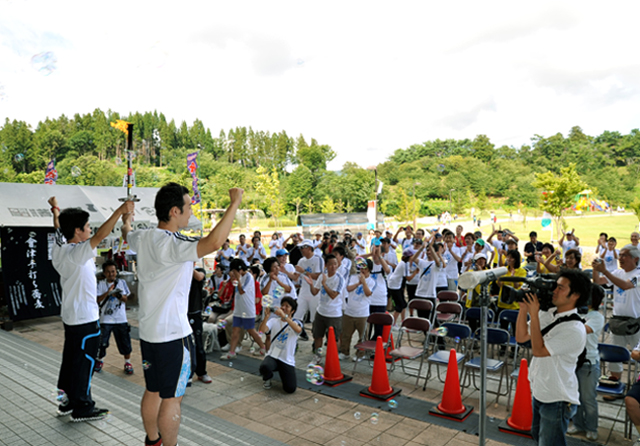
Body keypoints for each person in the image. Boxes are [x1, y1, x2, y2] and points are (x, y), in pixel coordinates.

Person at [121, 183, 241, 446]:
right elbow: (215, 242)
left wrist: (126, 218)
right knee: (172, 398)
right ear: (174, 211)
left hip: (149, 334)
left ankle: (153, 440)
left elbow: (127, 232)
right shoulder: (176, 244)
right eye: (188, 207)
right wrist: (234, 204)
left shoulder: (143, 237)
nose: (191, 212)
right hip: (174, 336)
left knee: (153, 389)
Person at [48, 195, 134, 422]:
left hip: (71, 317)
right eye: (86, 226)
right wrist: (120, 211)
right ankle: (83, 407)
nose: (90, 229)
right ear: (77, 231)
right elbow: (100, 235)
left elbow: (58, 226)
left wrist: (55, 209)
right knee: (85, 362)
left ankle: (67, 402)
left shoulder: (60, 247)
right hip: (85, 319)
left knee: (70, 360)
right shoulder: (77, 253)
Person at [515, 269, 590, 446]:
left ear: (575, 295)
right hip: (540, 390)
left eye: (560, 288)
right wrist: (523, 309)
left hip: (557, 398)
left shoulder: (574, 329)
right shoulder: (548, 314)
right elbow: (521, 337)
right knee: (538, 435)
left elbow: (538, 350)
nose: (554, 291)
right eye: (555, 286)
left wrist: (534, 314)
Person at [592, 244, 640, 381]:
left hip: (636, 323)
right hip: (617, 321)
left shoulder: (638, 274)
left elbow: (626, 285)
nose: (620, 258)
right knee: (613, 355)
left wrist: (605, 271)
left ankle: (637, 382)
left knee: (638, 354)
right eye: (620, 255)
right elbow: (598, 281)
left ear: (636, 259)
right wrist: (596, 269)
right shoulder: (618, 273)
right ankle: (615, 380)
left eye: (624, 255)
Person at [567, 285, 605, 441]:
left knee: (588, 399)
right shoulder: (576, 312)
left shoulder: (596, 316)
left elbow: (582, 330)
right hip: (573, 360)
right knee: (575, 397)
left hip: (589, 363)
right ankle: (578, 424)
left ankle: (591, 428)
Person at [220, 259, 267, 359]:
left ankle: (263, 347)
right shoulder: (240, 277)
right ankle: (232, 352)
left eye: (234, 271)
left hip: (247, 309)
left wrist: (238, 278)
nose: (233, 273)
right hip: (239, 309)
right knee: (235, 331)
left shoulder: (248, 277)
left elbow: (242, 291)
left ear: (239, 269)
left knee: (251, 330)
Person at [95, 260, 133, 375]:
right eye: (108, 272)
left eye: (113, 271)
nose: (111, 274)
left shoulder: (121, 282)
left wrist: (118, 295)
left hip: (120, 318)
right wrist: (108, 292)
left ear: (116, 271)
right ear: (104, 273)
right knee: (102, 342)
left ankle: (127, 363)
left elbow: (126, 299)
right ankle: (100, 361)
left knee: (125, 342)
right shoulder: (100, 284)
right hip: (105, 319)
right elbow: (97, 300)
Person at [306, 254, 344, 363]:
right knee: (317, 336)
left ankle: (333, 359)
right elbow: (314, 292)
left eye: (335, 264)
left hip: (334, 314)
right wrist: (311, 285)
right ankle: (317, 357)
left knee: (334, 338)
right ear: (326, 265)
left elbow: (333, 295)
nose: (333, 266)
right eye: (331, 264)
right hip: (321, 311)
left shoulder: (339, 278)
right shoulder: (322, 276)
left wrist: (324, 284)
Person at [258, 297, 302, 392]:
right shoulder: (274, 321)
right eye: (282, 305)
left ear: (293, 311)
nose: (283, 308)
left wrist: (285, 317)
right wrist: (266, 316)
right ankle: (267, 378)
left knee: (290, 389)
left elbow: (298, 330)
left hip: (286, 359)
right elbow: (262, 330)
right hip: (273, 355)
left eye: (287, 306)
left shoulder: (296, 323)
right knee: (265, 366)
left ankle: (283, 372)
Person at [340, 259, 375, 361]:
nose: (362, 270)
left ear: (369, 269)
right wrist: (358, 283)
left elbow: (368, 293)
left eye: (365, 268)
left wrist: (364, 283)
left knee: (362, 336)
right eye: (361, 268)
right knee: (346, 335)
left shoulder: (372, 281)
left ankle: (360, 354)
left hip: (362, 313)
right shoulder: (353, 277)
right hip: (349, 311)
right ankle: (344, 352)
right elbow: (348, 288)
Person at [292, 240, 325, 341]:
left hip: (314, 292)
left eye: (303, 248)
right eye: (300, 248)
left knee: (315, 318)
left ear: (309, 248)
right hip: (303, 292)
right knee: (297, 315)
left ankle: (316, 340)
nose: (301, 250)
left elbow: (318, 276)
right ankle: (299, 335)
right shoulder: (301, 261)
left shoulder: (318, 259)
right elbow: (295, 277)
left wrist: (304, 272)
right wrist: (285, 272)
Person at [187, 266, 211, 384]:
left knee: (198, 345)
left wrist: (187, 265)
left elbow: (200, 277)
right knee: (185, 345)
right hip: (181, 313)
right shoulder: (179, 271)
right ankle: (187, 373)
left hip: (195, 314)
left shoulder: (198, 271)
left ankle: (201, 372)